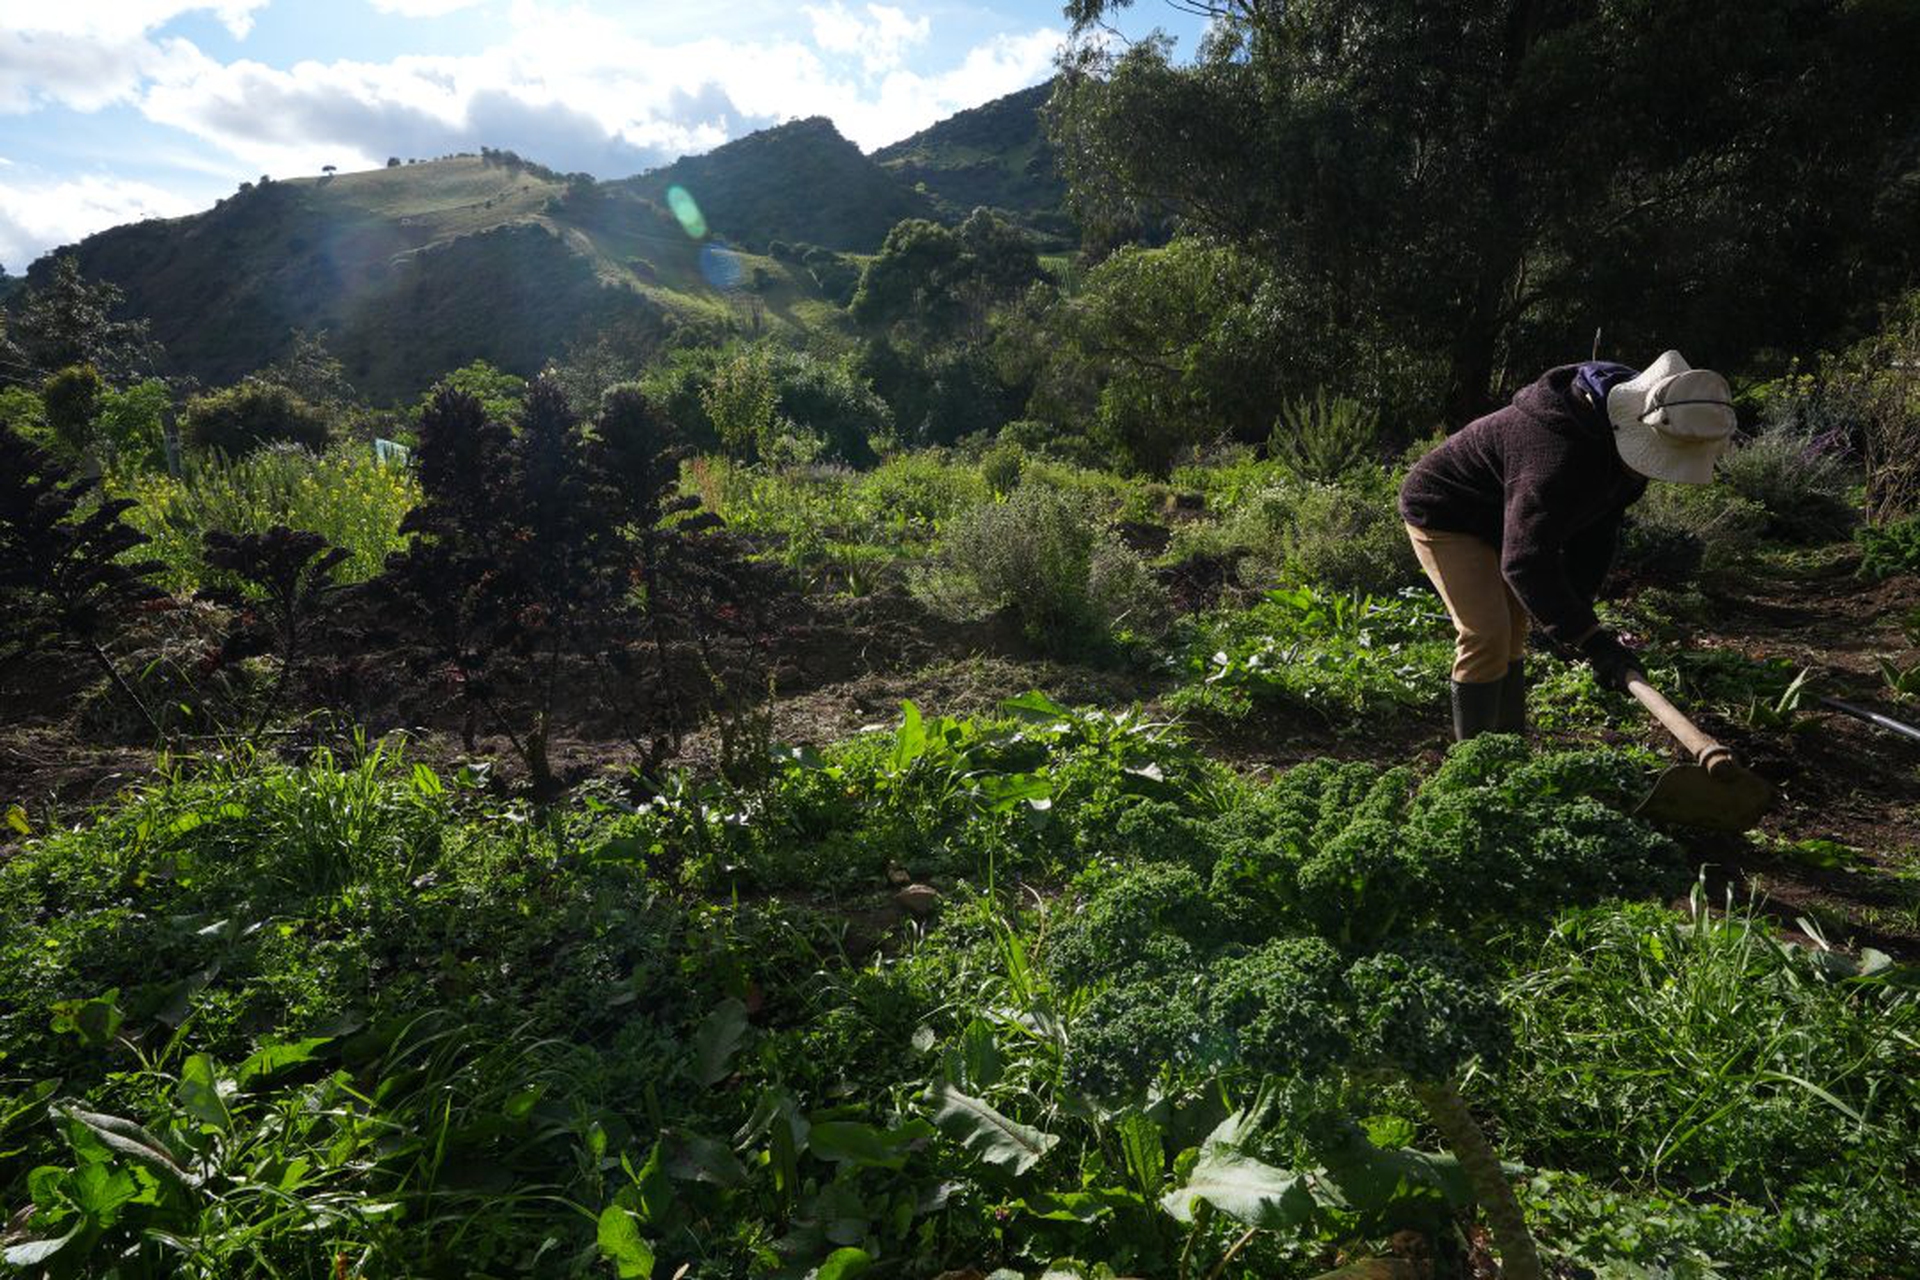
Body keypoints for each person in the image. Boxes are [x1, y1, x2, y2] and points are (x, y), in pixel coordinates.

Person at [1398, 350, 1738, 740]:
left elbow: (1596, 534)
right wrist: (1590, 639)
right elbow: (1525, 561)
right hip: (1448, 512)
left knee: (1514, 632)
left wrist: (1578, 617)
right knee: (1487, 634)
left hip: (1509, 518)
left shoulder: (1626, 443)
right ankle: (1472, 763)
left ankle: (1507, 745)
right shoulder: (1555, 454)